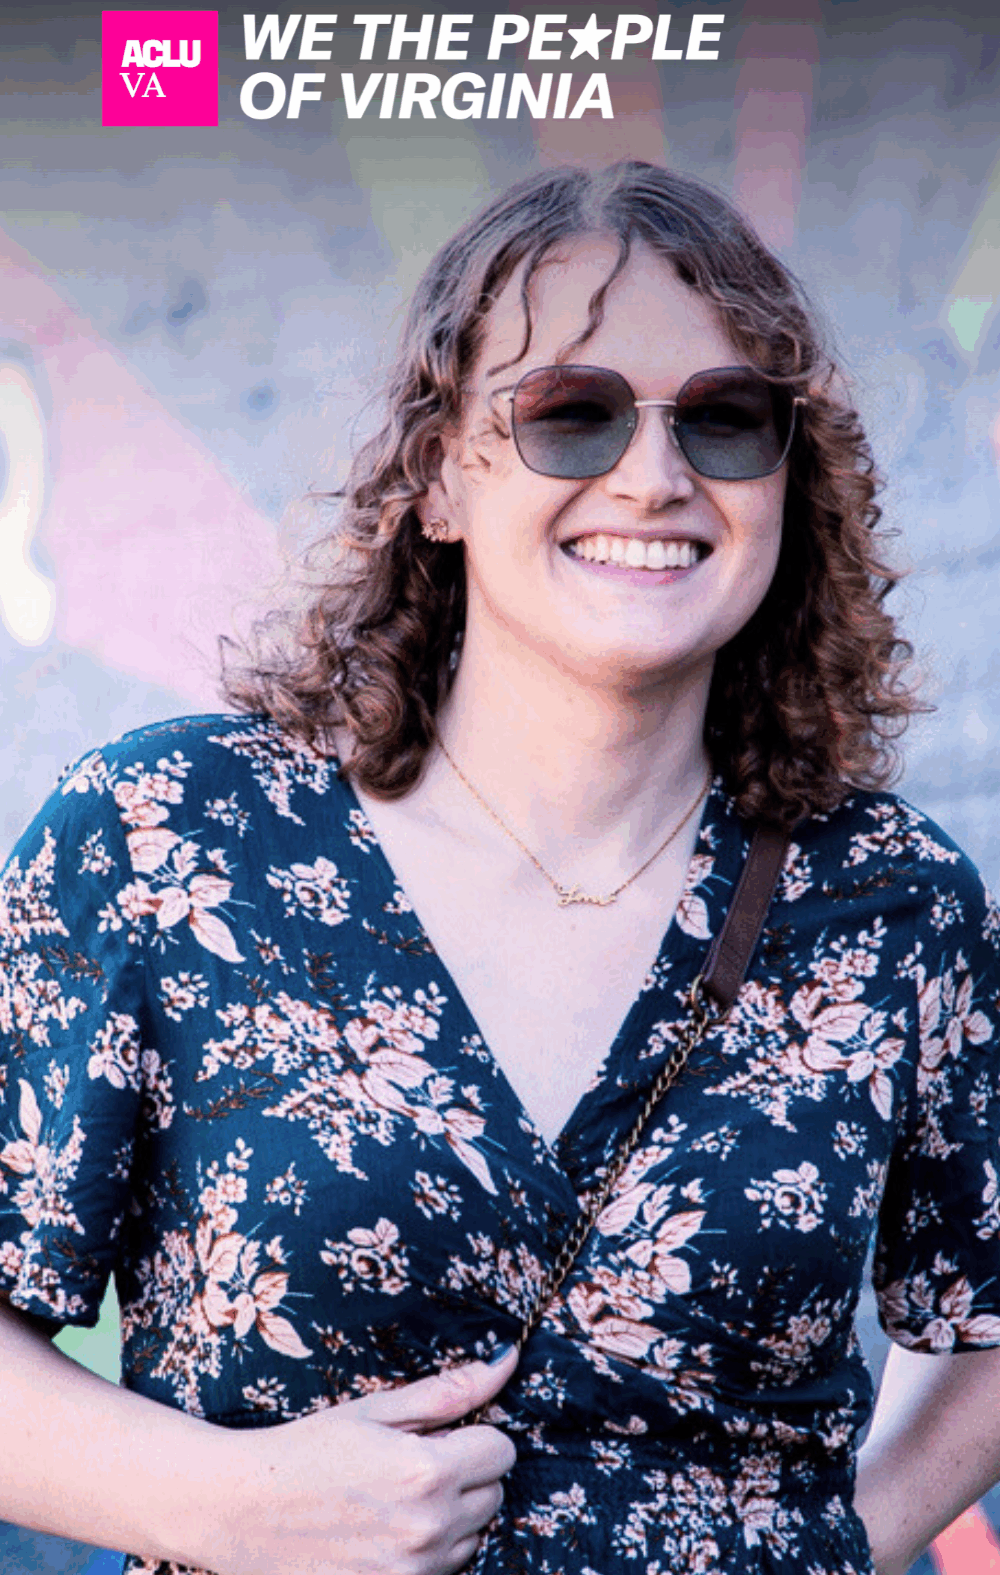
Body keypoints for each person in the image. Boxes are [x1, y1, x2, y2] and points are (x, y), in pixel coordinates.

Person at [1, 160, 999, 1575]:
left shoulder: (895, 903)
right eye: (572, 411)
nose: (653, 476)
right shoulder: (168, 835)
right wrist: (225, 1506)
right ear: (438, 479)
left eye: (724, 420)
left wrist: (829, 1546)